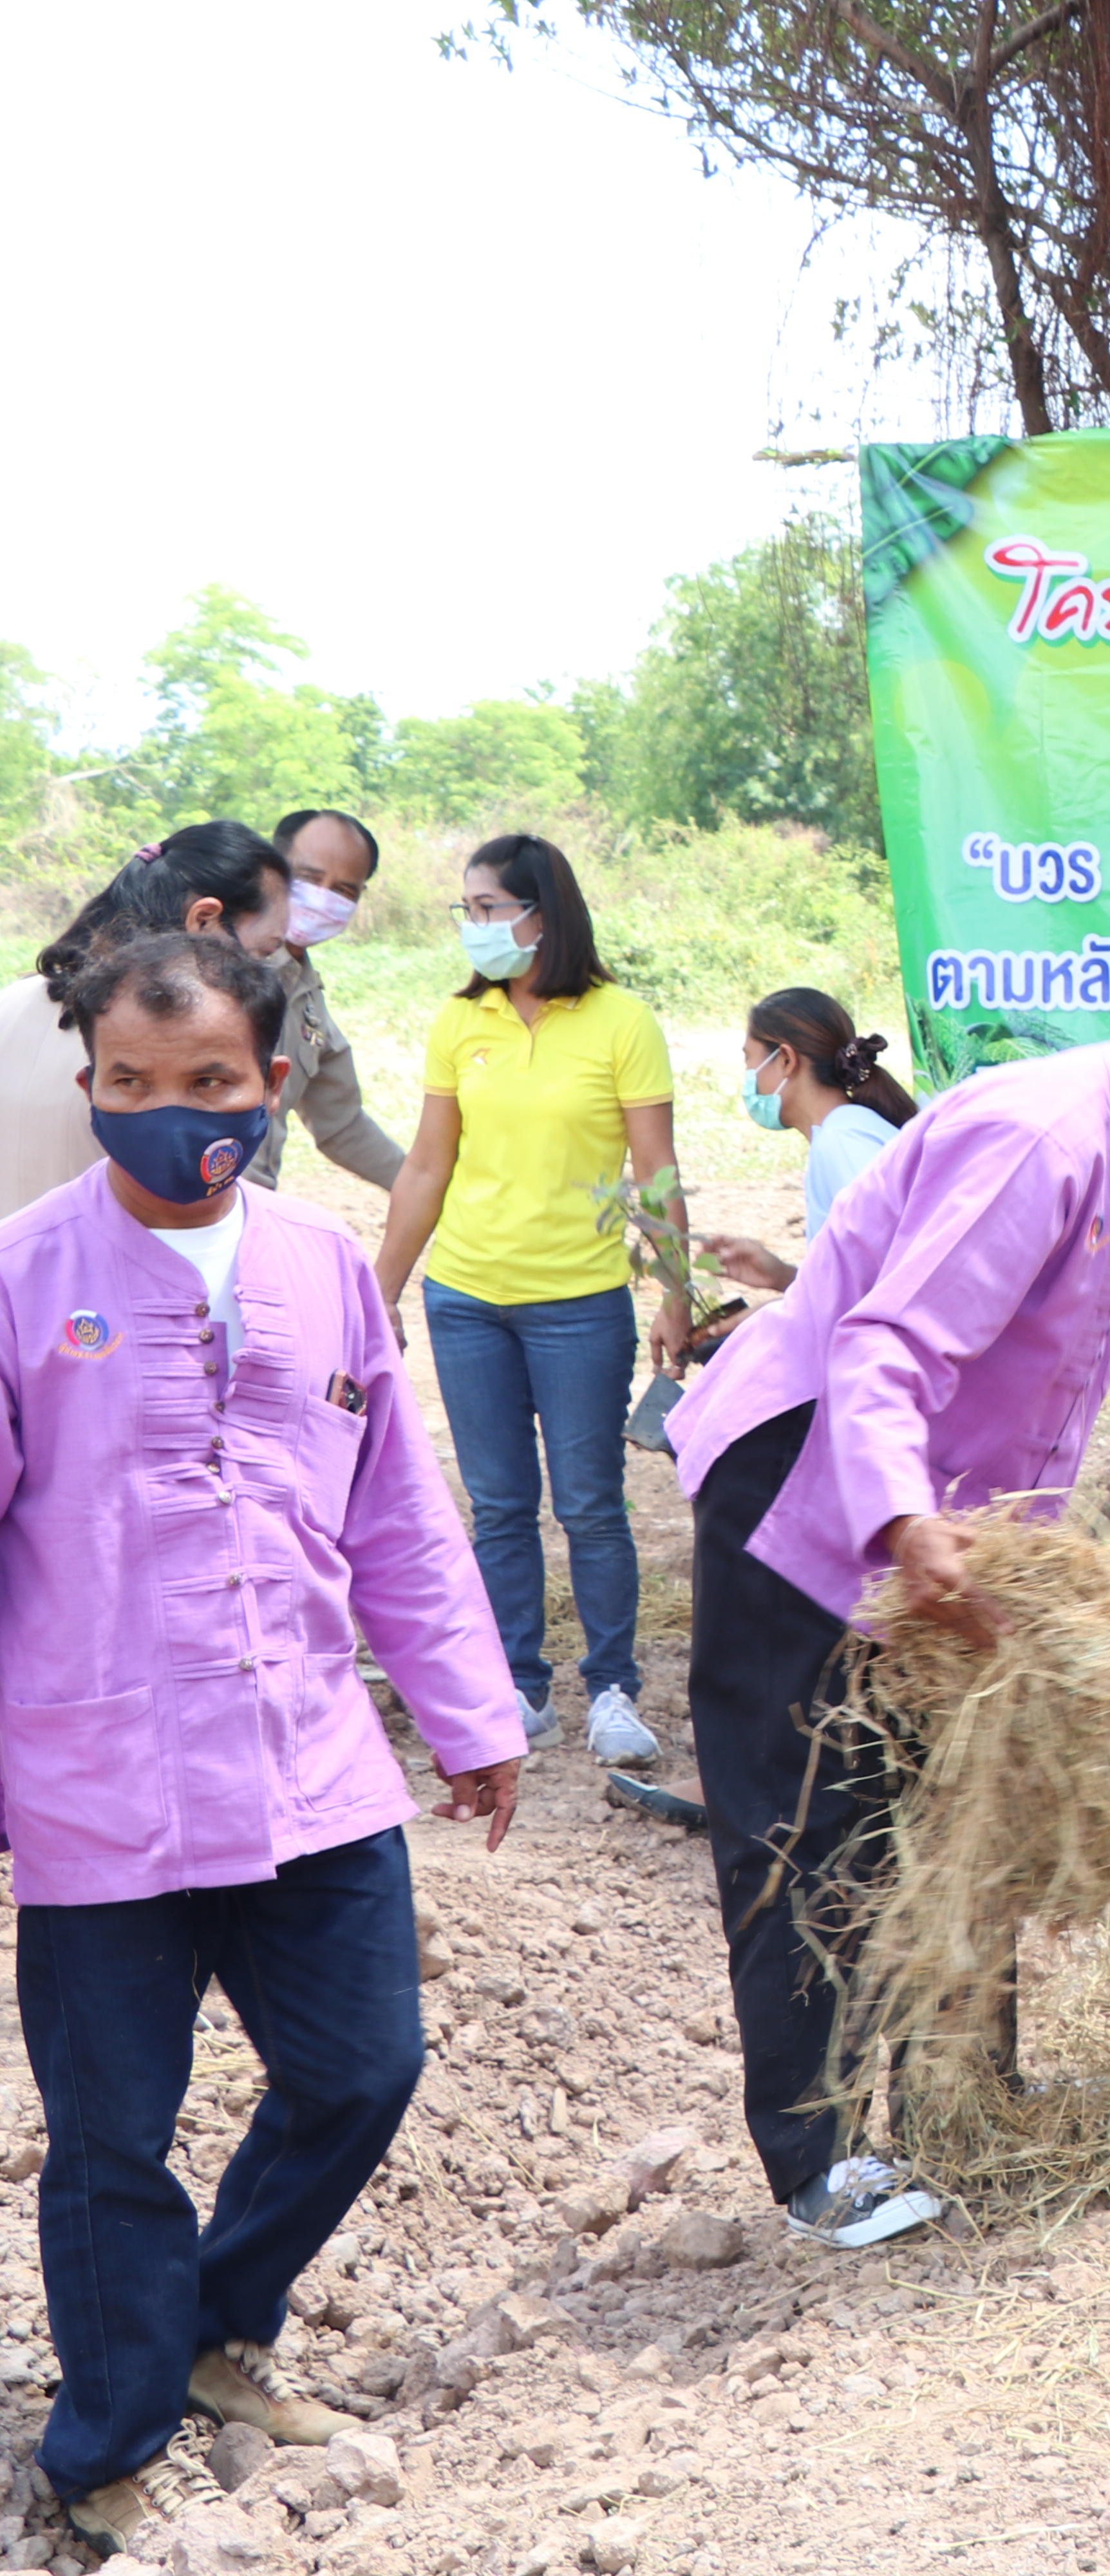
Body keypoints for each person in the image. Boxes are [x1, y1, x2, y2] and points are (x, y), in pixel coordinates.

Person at [661, 945, 1110, 2250]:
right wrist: (902, 1520)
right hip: (817, 1484)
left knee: (962, 1806)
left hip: (945, 1524)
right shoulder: (1039, 1139)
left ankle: (963, 2105)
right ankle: (818, 2164)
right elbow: (885, 1343)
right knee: (808, 1823)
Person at [0, 931, 523, 2554]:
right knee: (107, 2144)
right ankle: (102, 2445)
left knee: (365, 2066)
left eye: (208, 1084)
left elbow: (403, 1519)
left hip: (308, 1769)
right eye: (131, 1087)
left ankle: (219, 2325)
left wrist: (473, 1711)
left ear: (272, 1085)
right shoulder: (22, 1277)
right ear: (89, 1087)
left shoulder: (321, 1267)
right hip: (101, 1787)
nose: (170, 1114)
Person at [374, 833, 687, 1772]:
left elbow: (656, 1173)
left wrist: (674, 1292)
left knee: (591, 1506)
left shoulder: (622, 1021)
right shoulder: (458, 1022)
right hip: (465, 1299)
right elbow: (428, 1164)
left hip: (581, 1304)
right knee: (500, 1505)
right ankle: (519, 1685)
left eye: (485, 908)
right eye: (465, 910)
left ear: (539, 915)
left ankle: (613, 1692)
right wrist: (379, 1289)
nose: (471, 926)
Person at [0, 827, 295, 1217]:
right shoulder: (160, 1047)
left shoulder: (12, 1000)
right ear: (204, 920)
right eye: (263, 953)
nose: (259, 974)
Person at [691, 988, 925, 1291]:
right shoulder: (843, 1133)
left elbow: (891, 1284)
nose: (749, 1076)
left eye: (749, 1061)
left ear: (786, 1060)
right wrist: (784, 1279)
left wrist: (777, 1316)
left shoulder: (843, 1144)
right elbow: (853, 1282)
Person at [252, 810, 408, 1197]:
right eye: (308, 878)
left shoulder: (306, 995)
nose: (322, 897)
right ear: (271, 870)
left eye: (343, 890)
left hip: (246, 1216)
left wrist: (429, 1187)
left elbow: (342, 1125)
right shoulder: (213, 969)